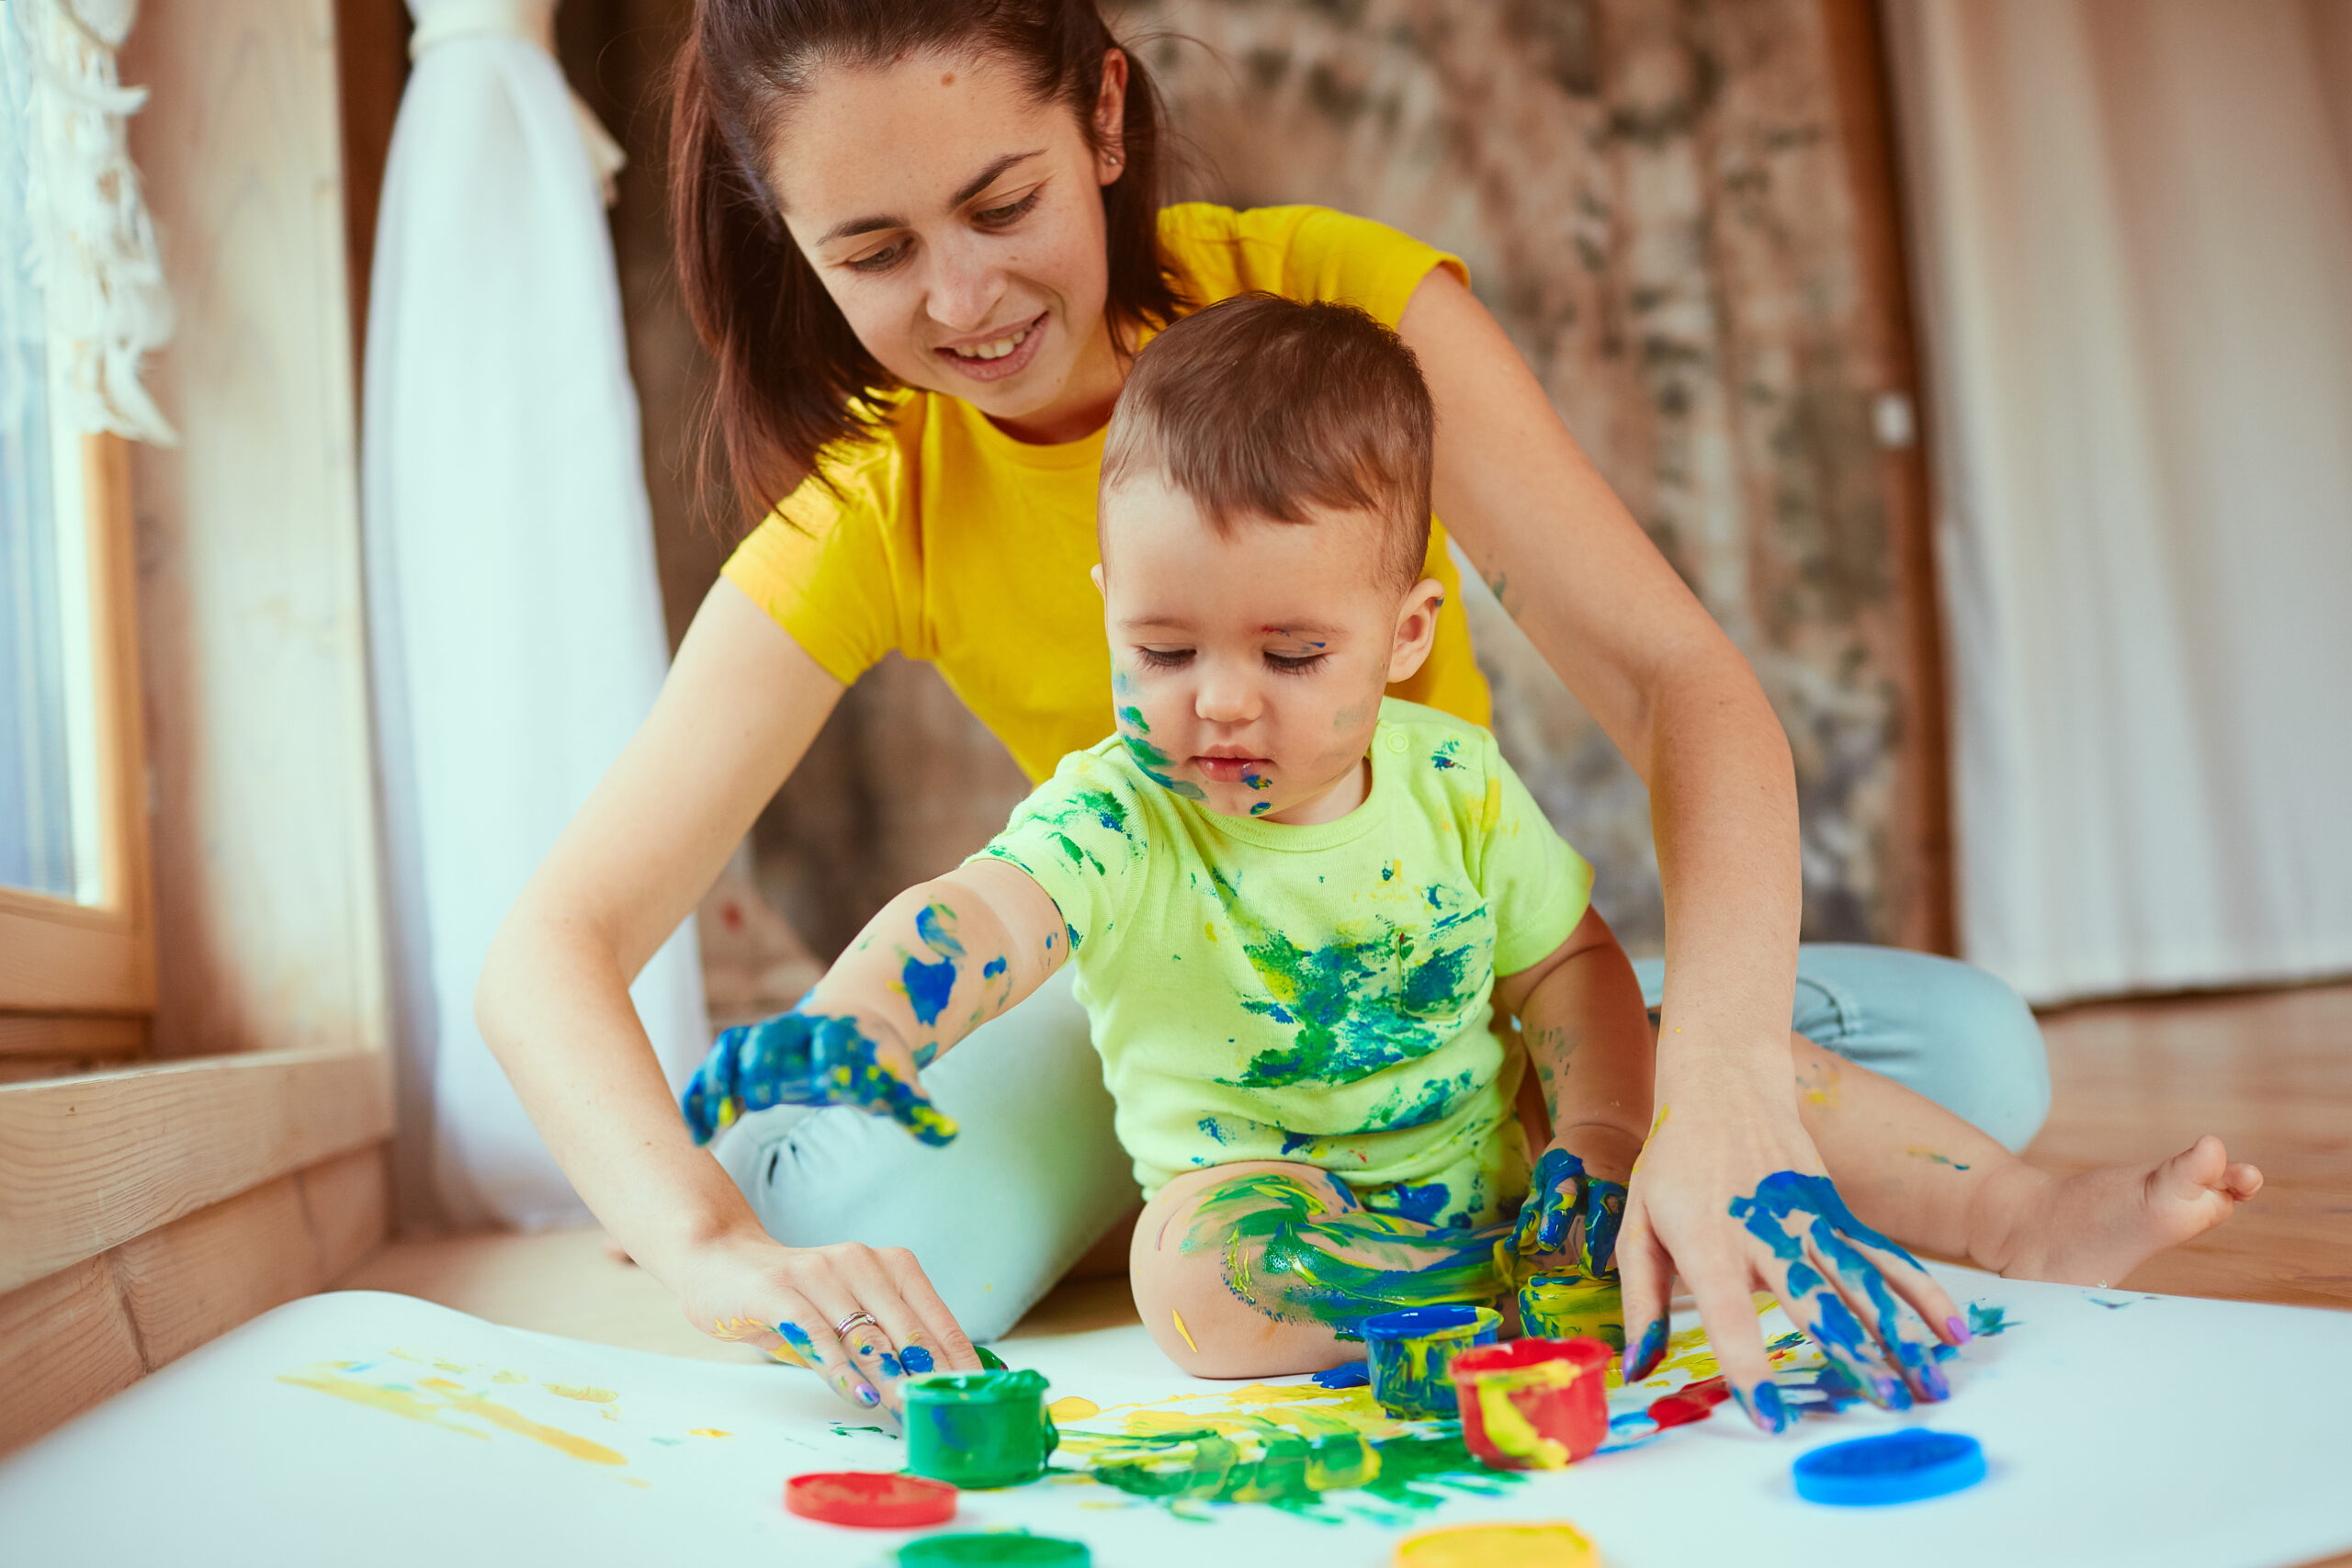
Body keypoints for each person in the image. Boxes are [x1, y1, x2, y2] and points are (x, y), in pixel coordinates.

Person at [476, 0, 2056, 1417]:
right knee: (831, 1241)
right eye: (873, 253)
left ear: (1103, 117)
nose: (961, 297)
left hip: (1424, 983)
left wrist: (1714, 1092)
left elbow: (1678, 685)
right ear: (793, 237)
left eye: (1000, 203)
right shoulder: (879, 498)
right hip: (1174, 1031)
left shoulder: (1341, 315)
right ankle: (1196, 1197)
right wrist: (696, 1242)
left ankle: (1449, 1162)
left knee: (1977, 1060)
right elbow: (549, 946)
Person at [679, 295, 2262, 1428]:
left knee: (1758, 1073)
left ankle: (2026, 1222)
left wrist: (1600, 1127)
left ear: (1404, 636)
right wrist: (877, 1020)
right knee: (1191, 1277)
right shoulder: (1119, 812)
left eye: (1291, 651)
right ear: (1109, 607)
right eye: (1160, 647)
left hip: (1507, 1151)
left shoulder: (1453, 783)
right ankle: (1470, 1304)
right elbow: (982, 916)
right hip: (1285, 1203)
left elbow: (1567, 968)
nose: (1217, 699)